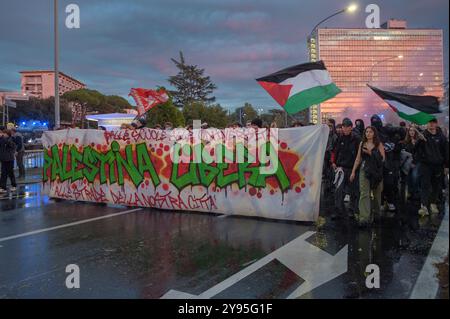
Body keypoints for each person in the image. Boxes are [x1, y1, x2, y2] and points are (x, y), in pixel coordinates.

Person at [350, 126, 385, 227]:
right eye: (366, 132)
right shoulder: (362, 144)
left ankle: (377, 214)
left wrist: (371, 153)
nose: (368, 134)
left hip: (376, 172)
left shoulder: (379, 144)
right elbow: (358, 159)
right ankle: (364, 217)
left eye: (370, 132)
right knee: (364, 193)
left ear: (374, 133)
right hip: (364, 170)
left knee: (377, 194)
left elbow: (382, 159)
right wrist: (353, 171)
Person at [415, 119, 449, 216]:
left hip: (438, 165)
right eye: (430, 122)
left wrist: (447, 166)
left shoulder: (441, 137)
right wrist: (420, 141)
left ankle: (433, 203)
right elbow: (415, 149)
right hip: (426, 165)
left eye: (433, 122)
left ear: (436, 124)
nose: (431, 124)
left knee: (436, 185)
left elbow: (446, 152)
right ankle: (424, 206)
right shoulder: (422, 135)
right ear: (427, 124)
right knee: (425, 186)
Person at [370, 115, 404, 212]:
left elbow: (401, 132)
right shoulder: (370, 132)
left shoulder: (387, 130)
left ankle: (390, 201)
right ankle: (380, 202)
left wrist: (393, 144)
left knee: (389, 183)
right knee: (378, 184)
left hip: (388, 163)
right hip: (376, 163)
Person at [331, 118, 361, 219]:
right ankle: (338, 210)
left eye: (347, 127)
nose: (344, 129)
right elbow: (335, 150)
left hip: (352, 168)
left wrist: (355, 169)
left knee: (353, 191)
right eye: (343, 127)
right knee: (338, 190)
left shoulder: (357, 139)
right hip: (341, 168)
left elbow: (359, 155)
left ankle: (351, 210)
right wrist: (333, 162)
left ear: (351, 127)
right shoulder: (340, 138)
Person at [399, 126, 420, 201]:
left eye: (413, 130)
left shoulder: (418, 141)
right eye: (410, 130)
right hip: (407, 163)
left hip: (416, 162)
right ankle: (410, 192)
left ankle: (416, 192)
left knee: (415, 177)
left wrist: (415, 145)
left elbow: (419, 152)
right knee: (409, 178)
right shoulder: (405, 141)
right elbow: (404, 152)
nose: (412, 132)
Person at [0, 128, 18, 193]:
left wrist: (3, 138)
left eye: (4, 133)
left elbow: (11, 145)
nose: (3, 134)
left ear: (7, 134)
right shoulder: (2, 140)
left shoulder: (11, 139)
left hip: (9, 159)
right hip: (3, 159)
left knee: (11, 173)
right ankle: (3, 187)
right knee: (3, 174)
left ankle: (14, 186)